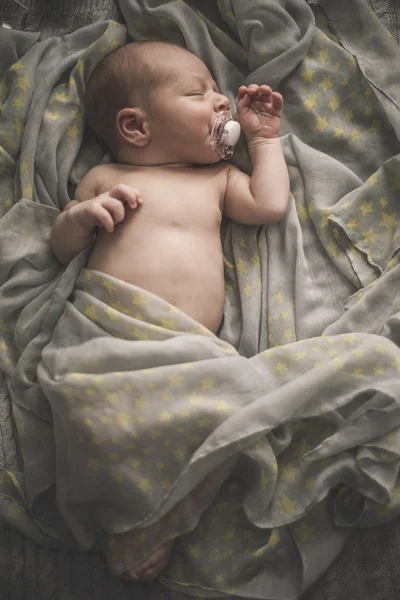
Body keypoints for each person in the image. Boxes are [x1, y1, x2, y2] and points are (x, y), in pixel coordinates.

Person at [50, 40, 290, 582]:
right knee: (91, 411)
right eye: (198, 92)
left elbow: (270, 205)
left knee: (241, 403)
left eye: (218, 91)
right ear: (136, 127)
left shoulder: (219, 179)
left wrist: (264, 140)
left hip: (189, 350)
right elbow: (63, 248)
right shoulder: (107, 179)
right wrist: (84, 216)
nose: (222, 102)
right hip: (110, 337)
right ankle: (128, 512)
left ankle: (170, 514)